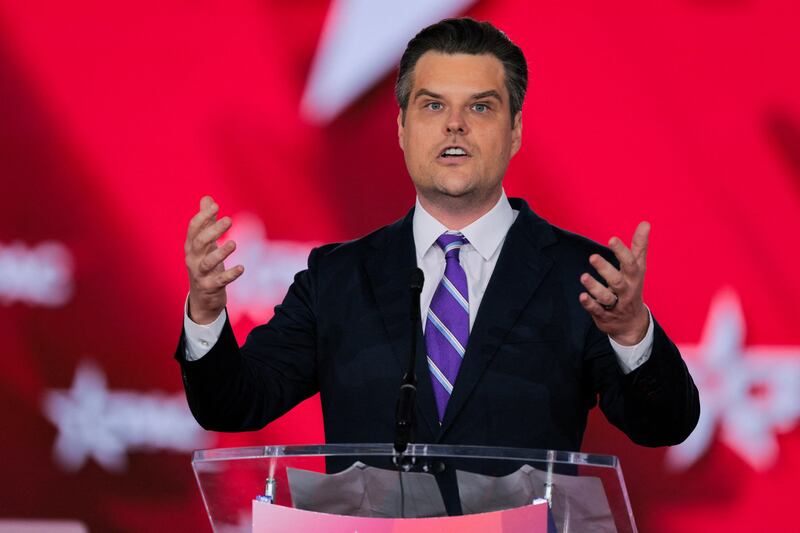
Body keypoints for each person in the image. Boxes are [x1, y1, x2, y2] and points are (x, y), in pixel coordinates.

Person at [176, 18, 699, 458]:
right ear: (402, 128)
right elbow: (234, 405)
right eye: (432, 106)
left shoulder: (579, 276)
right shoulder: (336, 280)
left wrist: (632, 334)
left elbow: (664, 425)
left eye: (480, 107)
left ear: (514, 131)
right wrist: (204, 312)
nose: (454, 126)